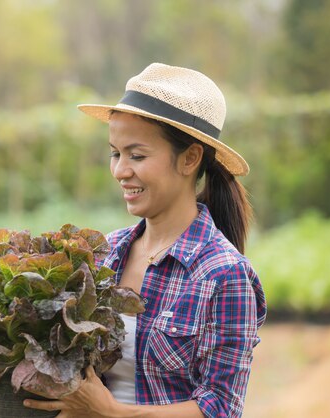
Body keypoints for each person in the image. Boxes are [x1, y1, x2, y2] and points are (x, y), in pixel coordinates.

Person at [23, 63, 267, 417]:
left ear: (190, 158)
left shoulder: (223, 275)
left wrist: (112, 412)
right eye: (115, 153)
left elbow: (221, 407)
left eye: (137, 155)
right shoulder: (107, 255)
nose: (121, 170)